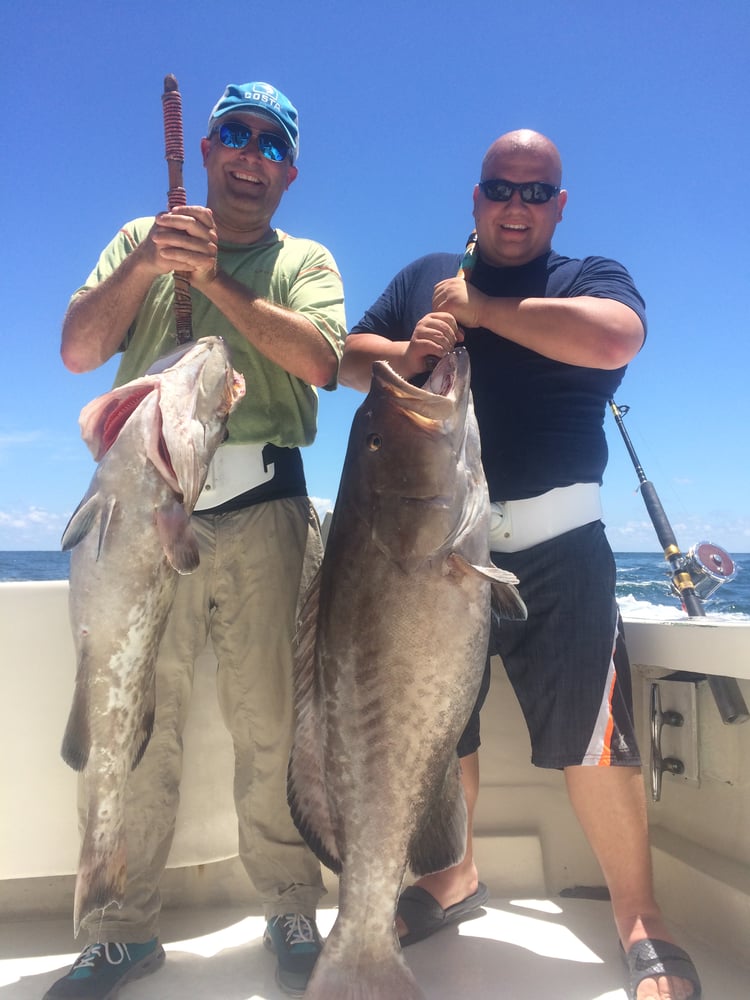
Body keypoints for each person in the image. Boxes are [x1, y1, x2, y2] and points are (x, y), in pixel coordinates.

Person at [340, 130, 701, 1000]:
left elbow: (616, 341)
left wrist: (484, 313)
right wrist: (411, 353)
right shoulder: (424, 275)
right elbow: (348, 362)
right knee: (439, 731)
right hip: (437, 551)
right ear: (475, 197)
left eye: (536, 193)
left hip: (562, 549)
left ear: (560, 206)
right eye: (501, 188)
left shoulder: (587, 279)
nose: (517, 205)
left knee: (592, 737)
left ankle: (640, 918)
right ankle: (453, 879)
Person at [46, 81, 346, 1000]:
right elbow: (76, 350)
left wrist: (211, 280)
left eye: (270, 144)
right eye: (235, 136)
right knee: (130, 722)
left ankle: (292, 903)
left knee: (272, 720)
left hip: (265, 511)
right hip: (137, 511)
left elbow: (323, 363)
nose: (250, 156)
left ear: (289, 171)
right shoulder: (140, 241)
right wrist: (147, 266)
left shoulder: (307, 260)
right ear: (208, 150)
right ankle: (117, 928)